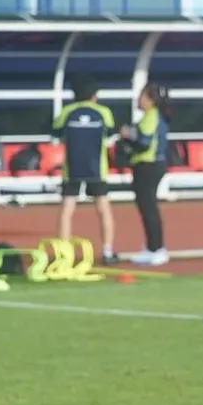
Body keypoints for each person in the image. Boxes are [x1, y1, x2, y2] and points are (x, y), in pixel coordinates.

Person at [52, 73, 119, 265]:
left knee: (67, 209)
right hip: (97, 168)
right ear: (93, 94)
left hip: (71, 168)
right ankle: (107, 251)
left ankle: (63, 255)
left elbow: (56, 134)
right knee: (103, 209)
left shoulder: (66, 112)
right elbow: (110, 136)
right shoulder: (104, 112)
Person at [118, 82, 171, 266]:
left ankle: (157, 248)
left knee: (148, 207)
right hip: (148, 165)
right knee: (146, 207)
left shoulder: (151, 116)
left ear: (151, 100)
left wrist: (127, 135)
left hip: (148, 165)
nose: (139, 99)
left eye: (143, 95)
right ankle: (152, 247)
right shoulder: (151, 116)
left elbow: (144, 142)